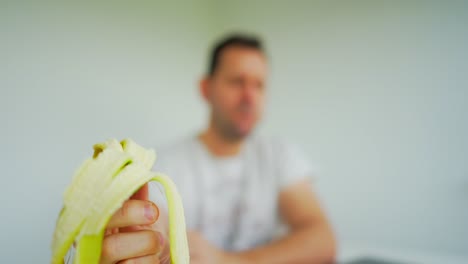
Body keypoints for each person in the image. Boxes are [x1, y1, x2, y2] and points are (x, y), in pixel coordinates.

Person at [97, 34, 336, 264]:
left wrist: (229, 261)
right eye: (237, 82)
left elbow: (322, 239)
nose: (249, 97)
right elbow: (151, 229)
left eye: (259, 85)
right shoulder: (164, 164)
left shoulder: (279, 155)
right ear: (206, 88)